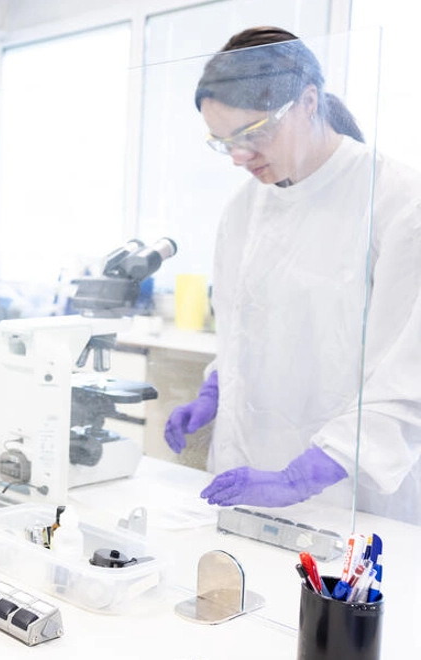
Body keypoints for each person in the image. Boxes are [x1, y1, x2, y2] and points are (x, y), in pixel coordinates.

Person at [167, 27, 421, 524]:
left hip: (348, 496)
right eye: (224, 143)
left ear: (308, 102)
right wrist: (215, 389)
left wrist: (299, 478)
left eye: (253, 134)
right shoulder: (244, 208)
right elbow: (241, 330)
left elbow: (407, 377)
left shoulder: (397, 201)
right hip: (243, 477)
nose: (240, 157)